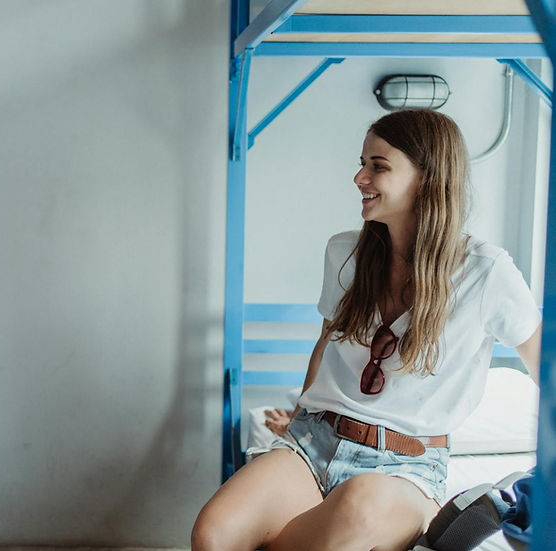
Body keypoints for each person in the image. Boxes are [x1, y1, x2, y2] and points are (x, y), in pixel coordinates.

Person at [192, 109, 541, 551]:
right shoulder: (344, 252)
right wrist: (299, 414)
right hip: (315, 441)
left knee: (357, 508)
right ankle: (424, 534)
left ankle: (424, 514)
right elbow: (326, 344)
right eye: (362, 164)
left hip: (407, 466)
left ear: (427, 178)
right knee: (213, 533)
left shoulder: (485, 272)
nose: (360, 178)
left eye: (378, 166)